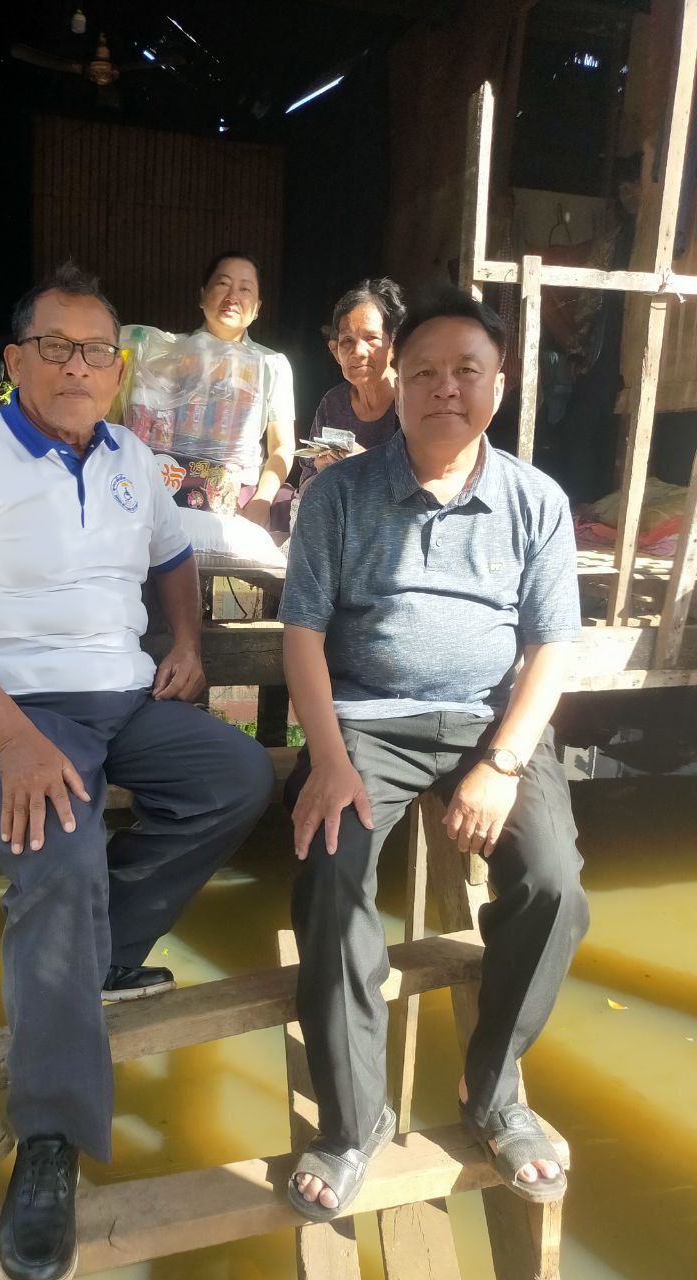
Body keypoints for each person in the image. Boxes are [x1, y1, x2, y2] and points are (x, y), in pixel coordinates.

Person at [0, 261, 275, 1280]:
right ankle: (51, 1137)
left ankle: (102, 955)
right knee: (60, 853)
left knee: (237, 777)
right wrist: (17, 739)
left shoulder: (131, 459)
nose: (77, 367)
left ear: (117, 370)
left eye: (97, 351)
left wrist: (185, 640)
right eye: (55, 347)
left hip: (120, 695)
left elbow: (174, 555)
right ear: (15, 361)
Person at [278, 285, 589, 1222]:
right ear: (395, 380)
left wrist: (502, 764)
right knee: (331, 867)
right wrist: (327, 758)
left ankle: (491, 1092)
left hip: (490, 727)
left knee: (555, 884)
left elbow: (552, 650)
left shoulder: (535, 501)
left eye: (466, 370)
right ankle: (353, 1121)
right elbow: (302, 637)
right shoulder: (338, 495)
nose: (443, 388)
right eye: (423, 372)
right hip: (367, 723)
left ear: (499, 383)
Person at [196, 250, 296, 529]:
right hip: (172, 484)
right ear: (202, 295)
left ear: (257, 307)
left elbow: (282, 446)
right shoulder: (168, 355)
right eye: (223, 284)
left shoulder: (272, 365)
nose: (233, 296)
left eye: (245, 289)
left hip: (241, 499)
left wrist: (262, 500)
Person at [299, 277, 404, 486]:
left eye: (371, 338)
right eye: (347, 341)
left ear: (393, 345)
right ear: (335, 352)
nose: (358, 351)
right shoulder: (333, 404)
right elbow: (306, 480)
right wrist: (322, 472)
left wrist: (367, 464)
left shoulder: (414, 402)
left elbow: (430, 481)